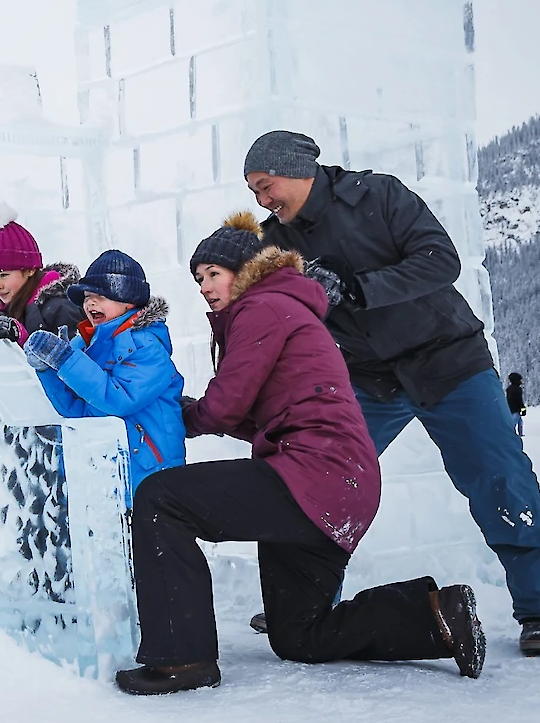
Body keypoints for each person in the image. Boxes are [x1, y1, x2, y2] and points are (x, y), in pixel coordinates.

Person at [116, 214, 486, 695]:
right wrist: (192, 412)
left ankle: (180, 659)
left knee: (160, 498)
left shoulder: (262, 306)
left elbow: (226, 405)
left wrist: (171, 417)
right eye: (198, 278)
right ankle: (436, 615)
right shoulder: (284, 308)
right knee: (301, 634)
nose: (205, 286)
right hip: (339, 486)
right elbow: (250, 416)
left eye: (213, 274)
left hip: (313, 474)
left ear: (245, 269)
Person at [244, 130, 540, 657]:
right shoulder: (273, 243)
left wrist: (355, 286)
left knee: (500, 480)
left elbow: (441, 262)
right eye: (254, 190)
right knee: (310, 480)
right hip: (366, 379)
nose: (262, 199)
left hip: (449, 364)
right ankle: (299, 603)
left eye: (267, 185)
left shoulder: (379, 196)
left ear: (298, 170)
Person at [20, 250, 186, 501]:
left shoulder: (147, 346)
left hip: (152, 472)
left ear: (129, 301)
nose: (89, 304)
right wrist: (46, 369)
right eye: (87, 297)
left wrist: (65, 360)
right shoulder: (86, 344)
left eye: (100, 296)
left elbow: (117, 400)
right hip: (110, 472)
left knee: (156, 539)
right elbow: (75, 409)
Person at [0, 202, 85, 345]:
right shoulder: (10, 306)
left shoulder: (60, 308)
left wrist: (22, 337)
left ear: (30, 270)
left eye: (4, 275)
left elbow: (69, 361)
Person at [506, 372, 527, 440]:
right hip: (515, 409)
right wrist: (523, 409)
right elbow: (519, 400)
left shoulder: (509, 389)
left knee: (519, 421)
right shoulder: (517, 389)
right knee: (515, 422)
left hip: (510, 409)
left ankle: (519, 433)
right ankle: (513, 434)